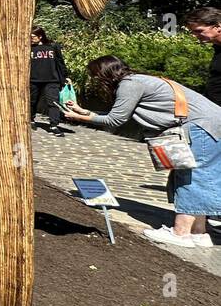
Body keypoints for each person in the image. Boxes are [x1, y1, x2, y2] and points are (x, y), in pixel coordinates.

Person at [63, 55, 221, 249]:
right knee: (200, 177)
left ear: (104, 73)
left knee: (189, 178)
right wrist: (83, 111)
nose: (95, 80)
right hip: (210, 124)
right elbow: (120, 114)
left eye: (95, 76)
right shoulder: (140, 80)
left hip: (200, 128)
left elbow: (115, 121)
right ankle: (199, 233)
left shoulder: (129, 84)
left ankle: (181, 234)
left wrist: (80, 118)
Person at [30, 26, 69, 135]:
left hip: (52, 80)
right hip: (33, 79)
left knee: (53, 103)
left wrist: (65, 76)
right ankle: (31, 119)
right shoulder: (28, 48)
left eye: (32, 37)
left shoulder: (52, 46)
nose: (30, 39)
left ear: (40, 36)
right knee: (32, 101)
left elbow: (60, 62)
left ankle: (54, 125)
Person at [184, 7, 221, 106]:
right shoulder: (217, 49)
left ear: (217, 27)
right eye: (192, 32)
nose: (194, 35)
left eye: (199, 31)